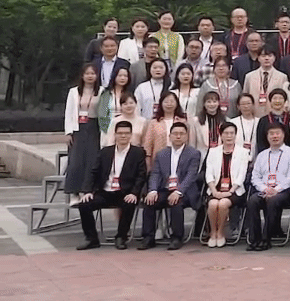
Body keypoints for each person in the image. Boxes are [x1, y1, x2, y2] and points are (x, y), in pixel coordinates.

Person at [75, 121, 147, 250]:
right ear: (115, 135)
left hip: (125, 192)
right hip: (105, 192)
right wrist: (88, 191)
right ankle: (91, 238)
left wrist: (134, 193)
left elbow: (141, 175)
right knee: (84, 205)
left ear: (131, 135)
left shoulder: (138, 153)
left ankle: (121, 237)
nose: (123, 136)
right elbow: (93, 172)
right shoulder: (105, 152)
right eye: (120, 133)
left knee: (129, 203)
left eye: (126, 133)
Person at [137, 121, 201, 250]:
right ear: (170, 136)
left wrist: (178, 192)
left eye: (181, 134)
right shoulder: (162, 154)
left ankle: (177, 237)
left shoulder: (194, 153)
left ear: (186, 136)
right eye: (175, 133)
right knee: (150, 201)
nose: (178, 136)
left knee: (176, 202)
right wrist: (152, 190)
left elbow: (191, 176)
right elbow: (155, 173)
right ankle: (148, 237)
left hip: (185, 191)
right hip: (165, 189)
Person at [246, 123, 290, 251]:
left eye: (277, 133)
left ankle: (266, 239)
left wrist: (276, 190)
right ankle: (255, 239)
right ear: (267, 136)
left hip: (285, 191)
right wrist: (265, 189)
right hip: (264, 190)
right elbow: (255, 177)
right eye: (271, 134)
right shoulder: (262, 155)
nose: (274, 136)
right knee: (252, 201)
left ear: (283, 135)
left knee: (273, 200)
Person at [204, 121, 250, 248]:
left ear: (235, 135)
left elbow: (241, 176)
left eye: (232, 133)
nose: (229, 136)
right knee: (213, 204)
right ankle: (213, 233)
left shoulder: (243, 152)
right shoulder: (213, 151)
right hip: (216, 189)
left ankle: (220, 233)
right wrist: (214, 191)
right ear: (221, 135)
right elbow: (209, 174)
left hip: (234, 191)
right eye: (226, 133)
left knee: (223, 204)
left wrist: (230, 191)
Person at [63, 64, 99, 203]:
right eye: (87, 73)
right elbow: (69, 112)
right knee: (75, 161)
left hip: (94, 128)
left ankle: (88, 190)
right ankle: (74, 193)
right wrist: (68, 132)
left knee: (92, 160)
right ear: (82, 76)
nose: (90, 76)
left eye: (92, 73)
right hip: (78, 128)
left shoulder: (102, 92)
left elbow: (104, 114)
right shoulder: (73, 92)